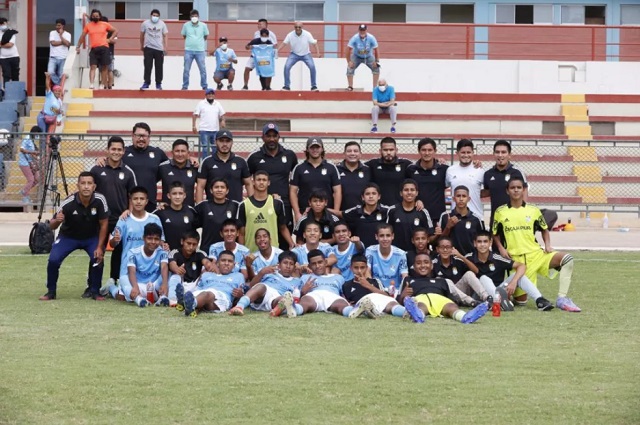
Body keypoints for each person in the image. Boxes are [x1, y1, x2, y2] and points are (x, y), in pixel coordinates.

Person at [492, 177, 581, 312]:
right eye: (512, 188)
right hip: (517, 260)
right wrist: (501, 248)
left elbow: (544, 229)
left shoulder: (533, 210)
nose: (516, 190)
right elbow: (494, 234)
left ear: (523, 190)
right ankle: (513, 294)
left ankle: (562, 298)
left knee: (567, 259)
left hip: (536, 254)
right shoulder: (500, 211)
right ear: (507, 191)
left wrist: (547, 245)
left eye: (519, 187)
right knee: (521, 302)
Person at [39, 172, 109, 301]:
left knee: (98, 258)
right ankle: (51, 291)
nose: (86, 186)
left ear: (94, 186)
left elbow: (104, 224)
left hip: (91, 237)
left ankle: (95, 291)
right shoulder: (68, 202)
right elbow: (52, 226)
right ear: (78, 186)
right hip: (68, 237)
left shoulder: (100, 200)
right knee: (53, 260)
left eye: (89, 183)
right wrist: (57, 220)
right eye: (83, 183)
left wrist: (100, 247)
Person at [89, 136, 137, 287]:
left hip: (120, 219)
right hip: (100, 219)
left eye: (119, 149)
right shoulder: (97, 169)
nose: (116, 152)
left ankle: (114, 281)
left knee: (120, 250)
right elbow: (88, 191)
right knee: (97, 250)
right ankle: (93, 286)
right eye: (113, 149)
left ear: (123, 151)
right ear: (107, 150)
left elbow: (133, 196)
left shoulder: (128, 172)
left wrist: (129, 211)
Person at [466, 230, 553, 311]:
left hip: (498, 291)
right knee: (484, 278)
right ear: (474, 243)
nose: (482, 244)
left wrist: (513, 282)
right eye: (479, 242)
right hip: (480, 295)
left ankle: (539, 300)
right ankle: (499, 302)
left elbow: (521, 266)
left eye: (485, 241)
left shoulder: (497, 258)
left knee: (519, 276)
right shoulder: (468, 258)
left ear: (490, 243)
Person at [247, 123, 298, 249]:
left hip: (284, 204)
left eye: (274, 136)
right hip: (262, 206)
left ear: (279, 137)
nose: (271, 139)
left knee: (284, 241)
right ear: (263, 137)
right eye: (268, 136)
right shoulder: (254, 157)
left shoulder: (290, 155)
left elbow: (295, 180)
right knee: (263, 239)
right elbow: (247, 181)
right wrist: (253, 201)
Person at [398, 252, 489, 324]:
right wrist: (403, 295)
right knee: (420, 305)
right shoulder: (408, 280)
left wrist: (468, 302)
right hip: (421, 297)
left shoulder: (442, 280)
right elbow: (398, 300)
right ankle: (419, 315)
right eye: (418, 263)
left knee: (451, 306)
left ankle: (464, 317)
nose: (422, 265)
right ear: (413, 267)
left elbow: (454, 295)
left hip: (440, 299)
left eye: (426, 262)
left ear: (432, 265)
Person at [342, 254, 422, 320]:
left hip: (379, 301)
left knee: (390, 303)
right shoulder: (346, 285)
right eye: (356, 268)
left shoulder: (375, 281)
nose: (359, 271)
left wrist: (368, 285)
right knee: (367, 305)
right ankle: (367, 310)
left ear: (366, 268)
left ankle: (408, 311)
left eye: (362, 267)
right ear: (351, 268)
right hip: (363, 304)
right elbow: (346, 301)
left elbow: (387, 296)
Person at [109, 186, 164, 280]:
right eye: (135, 199)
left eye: (142, 199)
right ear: (131, 201)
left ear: (146, 201)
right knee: (128, 289)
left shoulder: (154, 219)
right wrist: (115, 239)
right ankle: (113, 286)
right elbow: (112, 244)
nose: (138, 202)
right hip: (128, 268)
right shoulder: (123, 219)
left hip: (150, 269)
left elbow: (161, 242)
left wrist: (164, 245)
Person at [229, 250, 302, 316]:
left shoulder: (297, 281)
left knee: (284, 299)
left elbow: (298, 296)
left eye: (291, 264)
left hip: (276, 298)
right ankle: (239, 306)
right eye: (285, 263)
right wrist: (261, 273)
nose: (288, 266)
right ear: (279, 264)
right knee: (261, 286)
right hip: (263, 293)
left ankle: (276, 311)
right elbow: (251, 285)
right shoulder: (270, 272)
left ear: (294, 267)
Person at [114, 223, 169, 307]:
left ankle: (163, 297)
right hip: (138, 286)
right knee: (123, 278)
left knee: (168, 272)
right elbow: (131, 271)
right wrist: (135, 287)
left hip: (154, 286)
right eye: (149, 238)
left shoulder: (162, 252)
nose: (153, 242)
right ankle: (138, 299)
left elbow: (164, 267)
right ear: (143, 238)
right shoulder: (133, 252)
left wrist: (164, 284)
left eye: (156, 239)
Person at [284, 249, 352, 318]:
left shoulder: (338, 277)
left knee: (341, 303)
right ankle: (295, 310)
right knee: (306, 301)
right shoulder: (305, 277)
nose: (317, 266)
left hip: (333, 296)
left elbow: (343, 294)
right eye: (313, 264)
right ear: (309, 266)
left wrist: (347, 300)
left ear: (325, 262)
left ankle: (351, 311)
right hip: (313, 296)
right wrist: (303, 291)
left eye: (320, 262)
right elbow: (297, 295)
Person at [237, 170, 293, 252]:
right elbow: (242, 233)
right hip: (251, 253)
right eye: (258, 180)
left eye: (264, 180)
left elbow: (283, 228)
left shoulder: (277, 203)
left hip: (272, 253)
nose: (261, 182)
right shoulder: (244, 205)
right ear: (253, 182)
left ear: (268, 182)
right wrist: (242, 252)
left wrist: (291, 243)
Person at [180, 250, 245, 317]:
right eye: (223, 260)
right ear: (217, 263)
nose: (226, 263)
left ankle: (189, 304)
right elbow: (197, 289)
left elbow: (242, 295)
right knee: (200, 295)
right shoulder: (206, 274)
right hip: (204, 295)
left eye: (230, 261)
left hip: (222, 297)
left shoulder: (238, 276)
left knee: (207, 294)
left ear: (234, 265)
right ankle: (190, 305)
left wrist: (240, 295)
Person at [290, 137, 341, 222]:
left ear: (322, 149)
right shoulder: (299, 168)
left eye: (317, 147)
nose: (315, 150)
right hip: (305, 213)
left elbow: (337, 191)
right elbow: (293, 191)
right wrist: (297, 213)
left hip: (327, 213)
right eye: (312, 147)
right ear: (307, 149)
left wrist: (335, 212)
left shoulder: (331, 167)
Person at [122, 122, 169, 212]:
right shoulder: (124, 152)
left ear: (149, 137)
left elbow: (172, 167)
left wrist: (189, 158)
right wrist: (100, 159)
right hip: (127, 203)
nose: (141, 139)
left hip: (150, 202)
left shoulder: (158, 153)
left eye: (144, 136)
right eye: (138, 136)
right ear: (132, 136)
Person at [196, 130, 250, 203]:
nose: (224, 144)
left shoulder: (241, 161)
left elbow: (248, 184)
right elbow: (200, 186)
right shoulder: (207, 162)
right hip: (212, 208)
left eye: (227, 141)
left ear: (232, 142)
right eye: (221, 141)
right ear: (215, 142)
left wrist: (252, 206)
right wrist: (199, 207)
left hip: (236, 207)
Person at [482, 140, 527, 226]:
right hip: (496, 219)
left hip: (514, 219)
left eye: (503, 152)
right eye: (497, 152)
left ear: (509, 155)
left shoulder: (517, 172)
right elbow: (486, 192)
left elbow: (524, 191)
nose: (500, 155)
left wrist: (523, 213)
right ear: (493, 154)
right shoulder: (488, 174)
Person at [432, 236, 489, 304]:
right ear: (437, 249)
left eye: (448, 247)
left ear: (452, 248)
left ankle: (487, 298)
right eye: (442, 247)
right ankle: (472, 302)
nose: (445, 250)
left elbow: (476, 271)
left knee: (469, 274)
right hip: (445, 296)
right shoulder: (433, 263)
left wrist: (461, 257)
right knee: (446, 281)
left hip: (460, 293)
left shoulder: (457, 260)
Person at [405, 138, 449, 224]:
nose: (427, 153)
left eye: (430, 150)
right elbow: (406, 190)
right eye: (424, 150)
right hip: (416, 215)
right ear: (419, 151)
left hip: (437, 217)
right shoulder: (411, 169)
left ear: (435, 151)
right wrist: (416, 200)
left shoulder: (444, 169)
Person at [193, 178, 240, 254]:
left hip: (229, 252)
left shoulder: (235, 206)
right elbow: (191, 224)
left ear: (227, 191)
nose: (219, 190)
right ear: (211, 190)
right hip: (207, 250)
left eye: (222, 187)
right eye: (216, 187)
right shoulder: (203, 206)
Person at [387, 179, 434, 252]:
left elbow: (429, 236)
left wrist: (438, 234)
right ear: (401, 193)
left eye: (412, 190)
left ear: (417, 193)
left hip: (417, 254)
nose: (409, 192)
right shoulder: (392, 210)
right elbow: (387, 233)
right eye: (406, 190)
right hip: (397, 253)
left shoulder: (423, 212)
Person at [75, 9, 118, 90]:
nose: (95, 17)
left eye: (97, 16)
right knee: (93, 66)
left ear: (100, 16)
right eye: (94, 16)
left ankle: (102, 84)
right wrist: (78, 46)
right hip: (94, 49)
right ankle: (91, 84)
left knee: (104, 68)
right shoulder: (88, 25)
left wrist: (110, 39)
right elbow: (82, 36)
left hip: (104, 48)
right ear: (91, 16)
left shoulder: (105, 24)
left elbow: (116, 30)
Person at [168, 230, 211, 308]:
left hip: (196, 285)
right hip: (181, 283)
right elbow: (172, 264)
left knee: (206, 275)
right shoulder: (175, 252)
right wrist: (177, 269)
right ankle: (173, 300)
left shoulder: (200, 253)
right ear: (182, 241)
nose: (191, 247)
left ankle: (194, 300)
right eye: (188, 243)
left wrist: (208, 266)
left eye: (194, 244)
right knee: (175, 277)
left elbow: (207, 262)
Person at [436, 185, 484, 255]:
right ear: (453, 198)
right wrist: (448, 227)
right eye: (458, 196)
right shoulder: (445, 216)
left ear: (468, 199)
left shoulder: (476, 219)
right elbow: (439, 242)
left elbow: (481, 241)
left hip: (470, 259)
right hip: (451, 258)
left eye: (464, 196)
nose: (461, 199)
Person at [446, 139, 486, 221]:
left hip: (476, 217)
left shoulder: (480, 170)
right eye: (463, 152)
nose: (466, 155)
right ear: (457, 153)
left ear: (473, 153)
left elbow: (488, 190)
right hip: (455, 218)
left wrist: (476, 194)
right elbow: (444, 187)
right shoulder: (450, 170)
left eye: (468, 152)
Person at [365, 137, 412, 206]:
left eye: (391, 150)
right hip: (378, 208)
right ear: (380, 151)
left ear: (396, 150)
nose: (388, 152)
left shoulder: (406, 165)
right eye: (385, 150)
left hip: (399, 208)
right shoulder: (372, 164)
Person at [341, 183, 391, 248]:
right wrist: (327, 209)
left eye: (374, 193)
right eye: (367, 194)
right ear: (362, 197)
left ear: (379, 196)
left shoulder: (388, 211)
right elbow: (340, 214)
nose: (371, 196)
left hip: (380, 250)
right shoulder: (355, 211)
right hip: (360, 250)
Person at [153, 182, 197, 251]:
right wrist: (160, 242)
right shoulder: (160, 212)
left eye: (180, 193)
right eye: (174, 194)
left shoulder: (191, 211)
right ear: (168, 195)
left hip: (186, 254)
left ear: (184, 195)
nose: (177, 197)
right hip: (167, 253)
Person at [365, 224, 408, 292]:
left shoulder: (401, 254)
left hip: (395, 291)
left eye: (388, 235)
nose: (385, 239)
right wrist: (372, 288)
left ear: (392, 236)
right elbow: (367, 271)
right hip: (376, 290)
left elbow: (404, 276)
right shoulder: (370, 251)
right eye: (381, 236)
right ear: (376, 237)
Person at [278, 22, 319, 91]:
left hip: (306, 54)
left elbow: (314, 43)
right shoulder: (290, 35)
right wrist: (277, 51)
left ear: (302, 27)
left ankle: (314, 86)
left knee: (312, 67)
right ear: (294, 27)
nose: (297, 28)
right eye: (296, 27)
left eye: (299, 27)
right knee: (286, 67)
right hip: (294, 54)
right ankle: (286, 86)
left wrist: (318, 53)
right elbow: (284, 43)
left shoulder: (307, 34)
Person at [157, 139, 197, 207]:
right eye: (177, 151)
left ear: (188, 153)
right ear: (172, 152)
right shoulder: (163, 167)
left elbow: (202, 186)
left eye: (183, 151)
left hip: (189, 210)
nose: (180, 154)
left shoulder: (195, 167)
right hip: (167, 210)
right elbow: (151, 183)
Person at [243, 19, 277, 90]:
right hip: (255, 56)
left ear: (266, 25)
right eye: (258, 24)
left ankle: (267, 87)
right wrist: (250, 47)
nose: (259, 26)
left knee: (267, 71)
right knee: (247, 68)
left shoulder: (271, 35)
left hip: (266, 57)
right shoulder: (256, 33)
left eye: (260, 24)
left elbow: (274, 46)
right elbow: (250, 45)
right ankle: (245, 86)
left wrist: (273, 54)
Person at [336, 141, 371, 211]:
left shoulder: (367, 170)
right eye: (349, 151)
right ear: (344, 154)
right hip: (341, 213)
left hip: (362, 213)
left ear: (360, 154)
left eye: (355, 151)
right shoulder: (336, 169)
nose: (352, 153)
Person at [140, 9, 168, 90]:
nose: (155, 17)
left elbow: (165, 35)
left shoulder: (162, 24)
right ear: (151, 15)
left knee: (159, 67)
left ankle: (158, 84)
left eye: (157, 16)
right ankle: (146, 83)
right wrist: (141, 45)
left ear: (159, 17)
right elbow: (141, 35)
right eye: (154, 15)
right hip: (148, 48)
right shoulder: (145, 23)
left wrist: (165, 47)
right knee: (147, 66)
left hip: (159, 49)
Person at [192, 89, 226, 158]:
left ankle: (215, 162)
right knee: (205, 148)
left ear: (214, 95)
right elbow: (195, 115)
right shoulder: (201, 103)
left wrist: (223, 121)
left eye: (212, 94)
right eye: (209, 94)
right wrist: (193, 126)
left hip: (215, 130)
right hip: (204, 130)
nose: (210, 95)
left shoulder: (217, 104)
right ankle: (205, 162)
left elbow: (222, 114)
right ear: (206, 95)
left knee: (215, 148)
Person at [181, 9, 209, 90]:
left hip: (200, 51)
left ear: (198, 17)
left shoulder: (203, 25)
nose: (194, 18)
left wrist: (198, 43)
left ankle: (204, 86)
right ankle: (185, 86)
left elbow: (205, 36)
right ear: (190, 17)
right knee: (186, 70)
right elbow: (184, 35)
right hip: (188, 51)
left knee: (202, 70)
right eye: (192, 16)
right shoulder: (186, 25)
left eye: (196, 16)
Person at [346, 24, 379, 90]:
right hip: (356, 56)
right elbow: (348, 49)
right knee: (350, 68)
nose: (362, 32)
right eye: (361, 30)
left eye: (364, 30)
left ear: (366, 30)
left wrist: (376, 61)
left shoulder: (371, 38)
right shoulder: (355, 38)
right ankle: (350, 86)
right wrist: (349, 61)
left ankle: (375, 87)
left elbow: (376, 49)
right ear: (358, 30)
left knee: (376, 68)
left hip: (369, 56)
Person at [18, 126, 41, 204]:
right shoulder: (27, 138)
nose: (38, 136)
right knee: (31, 179)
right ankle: (25, 196)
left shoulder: (32, 140)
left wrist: (36, 157)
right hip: (24, 162)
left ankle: (24, 190)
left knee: (37, 179)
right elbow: (22, 149)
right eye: (37, 134)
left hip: (30, 162)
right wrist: (33, 152)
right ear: (35, 132)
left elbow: (31, 153)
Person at [48, 18, 71, 86]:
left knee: (61, 74)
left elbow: (67, 44)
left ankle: (59, 88)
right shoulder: (52, 33)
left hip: (63, 57)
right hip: (53, 57)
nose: (57, 27)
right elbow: (53, 43)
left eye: (59, 25)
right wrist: (63, 42)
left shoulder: (68, 34)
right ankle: (59, 84)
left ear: (63, 26)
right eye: (57, 25)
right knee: (50, 72)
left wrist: (60, 36)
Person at [0, 17, 20, 87]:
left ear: (7, 23)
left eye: (3, 24)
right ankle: (6, 90)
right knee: (6, 74)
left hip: (14, 57)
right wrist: (3, 44)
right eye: (0, 24)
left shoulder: (11, 33)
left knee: (15, 74)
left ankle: (15, 90)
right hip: (3, 58)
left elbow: (10, 45)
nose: (2, 25)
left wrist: (1, 45)